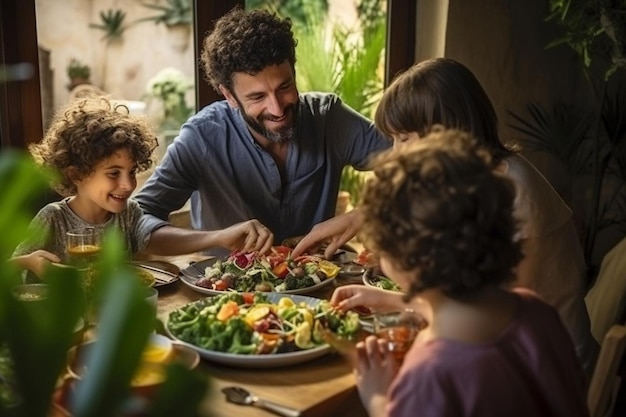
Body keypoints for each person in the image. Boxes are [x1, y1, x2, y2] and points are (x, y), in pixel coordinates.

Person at [294, 57, 598, 376]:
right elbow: (473, 307)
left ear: (444, 132)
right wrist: (389, 299)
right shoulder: (480, 180)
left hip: (544, 375)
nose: (394, 152)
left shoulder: (513, 193)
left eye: (404, 139)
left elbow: (489, 323)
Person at [332, 129, 589, 417]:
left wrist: (379, 398)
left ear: (405, 261)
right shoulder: (536, 311)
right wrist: (394, 299)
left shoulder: (428, 374)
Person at [133, 7, 390, 257]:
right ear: (229, 95)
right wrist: (217, 237)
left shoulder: (329, 119)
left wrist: (366, 214)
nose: (277, 108)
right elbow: (135, 222)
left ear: (294, 72)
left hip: (318, 290)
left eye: (285, 87)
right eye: (257, 97)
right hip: (223, 296)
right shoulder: (201, 137)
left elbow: (423, 166)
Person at [10, 97, 273, 280]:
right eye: (113, 174)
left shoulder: (129, 214)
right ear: (76, 174)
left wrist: (221, 237)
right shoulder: (52, 218)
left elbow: (159, 241)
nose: (128, 185)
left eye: (132, 172)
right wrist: (28, 262)